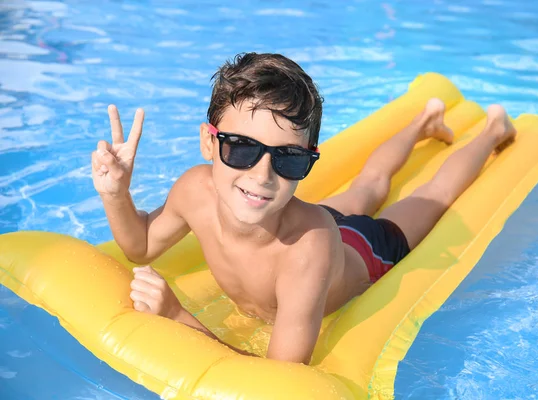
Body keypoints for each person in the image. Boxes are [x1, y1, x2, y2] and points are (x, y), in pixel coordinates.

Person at [91, 52, 516, 364]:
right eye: (240, 148)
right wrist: (116, 193)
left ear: (307, 159)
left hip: (359, 250)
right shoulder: (193, 190)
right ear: (210, 141)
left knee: (427, 196)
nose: (262, 176)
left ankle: (492, 129)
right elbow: (141, 247)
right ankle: (424, 123)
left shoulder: (306, 252)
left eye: (288, 158)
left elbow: (282, 377)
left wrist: (177, 316)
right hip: (300, 219)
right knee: (367, 185)